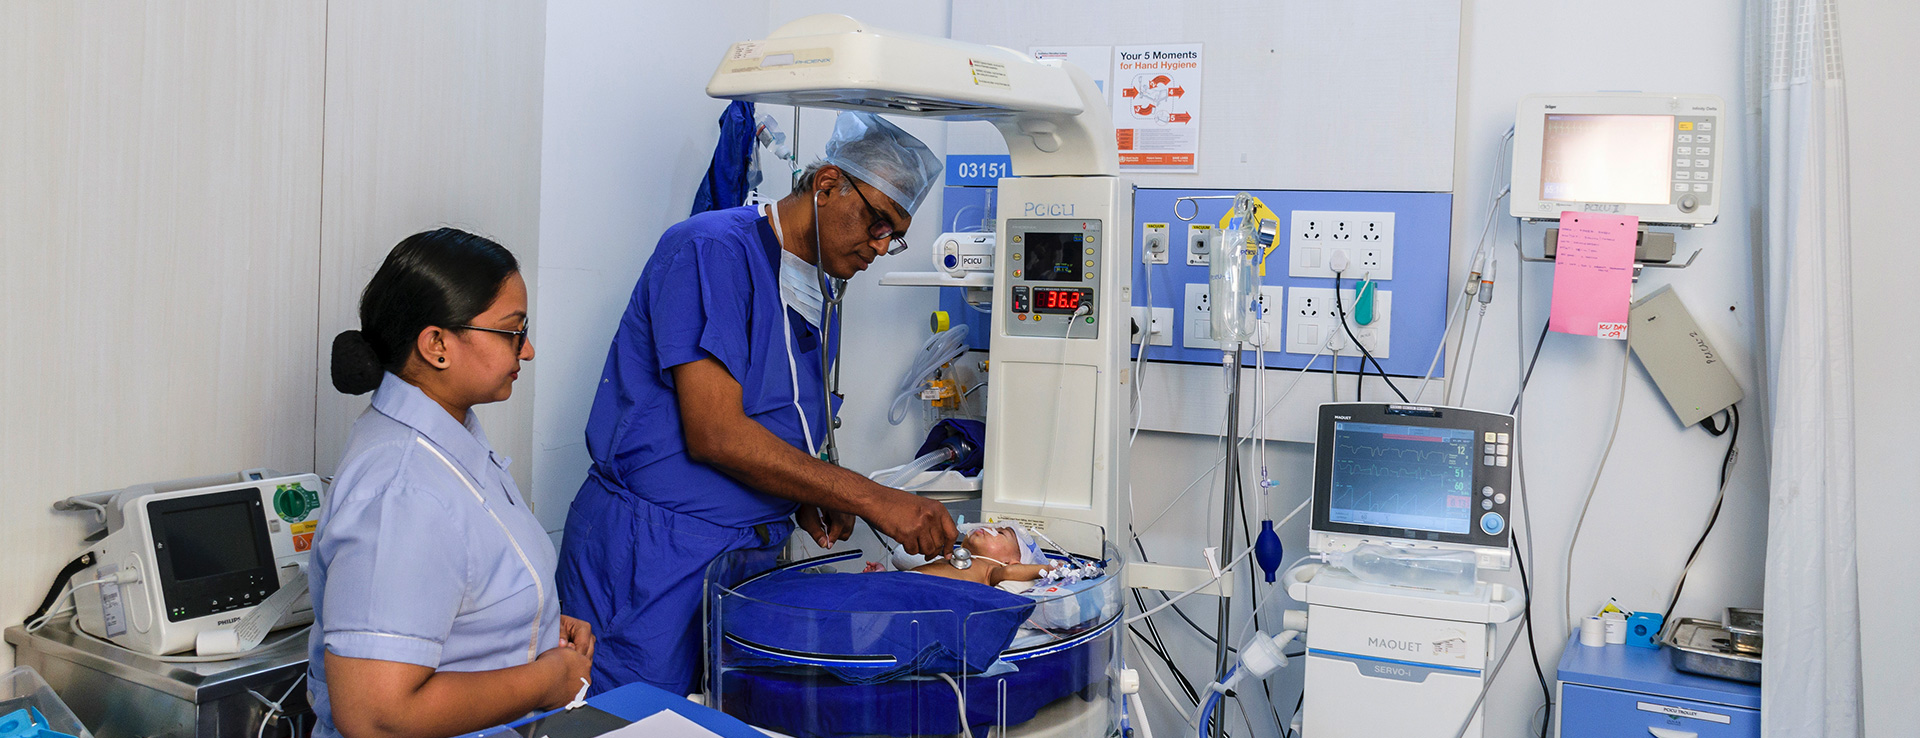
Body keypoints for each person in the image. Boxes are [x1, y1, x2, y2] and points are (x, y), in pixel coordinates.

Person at [556, 112, 958, 696]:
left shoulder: (818, 286)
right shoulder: (709, 251)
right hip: (654, 559)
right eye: (875, 221)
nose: (878, 246)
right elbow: (715, 432)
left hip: (745, 562)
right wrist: (871, 498)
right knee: (628, 720)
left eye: (893, 236)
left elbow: (777, 413)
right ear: (825, 184)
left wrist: (803, 495)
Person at [312, 229, 593, 738]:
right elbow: (378, 716)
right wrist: (546, 679)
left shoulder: (447, 435)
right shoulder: (403, 492)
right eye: (512, 331)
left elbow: (461, 584)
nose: (526, 351)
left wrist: (531, 626)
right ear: (437, 345)